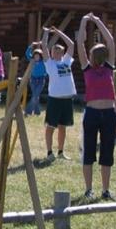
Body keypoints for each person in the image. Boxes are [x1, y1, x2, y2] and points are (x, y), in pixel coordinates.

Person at [76, 13, 116, 200]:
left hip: (109, 114)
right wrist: (85, 21)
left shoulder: (109, 67)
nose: (96, 56)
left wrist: (99, 21)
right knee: (89, 152)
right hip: (91, 113)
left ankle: (106, 190)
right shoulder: (87, 68)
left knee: (107, 153)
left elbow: (110, 41)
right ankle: (88, 189)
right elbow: (79, 45)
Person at [41, 26, 76, 161]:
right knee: (51, 126)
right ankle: (50, 153)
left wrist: (59, 32)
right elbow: (44, 46)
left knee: (63, 127)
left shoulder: (67, 61)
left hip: (67, 99)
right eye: (54, 51)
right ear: (51, 53)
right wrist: (46, 32)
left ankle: (61, 152)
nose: (57, 53)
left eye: (59, 50)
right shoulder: (49, 63)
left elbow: (71, 44)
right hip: (55, 99)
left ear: (62, 53)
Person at [25, 42, 47, 116]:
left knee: (35, 94)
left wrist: (45, 74)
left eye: (38, 56)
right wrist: (31, 46)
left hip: (41, 79)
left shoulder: (43, 62)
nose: (36, 57)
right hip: (33, 79)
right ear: (33, 56)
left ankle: (28, 111)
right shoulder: (32, 61)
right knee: (35, 95)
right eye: (35, 55)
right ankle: (37, 112)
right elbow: (27, 53)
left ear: (40, 56)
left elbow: (47, 69)